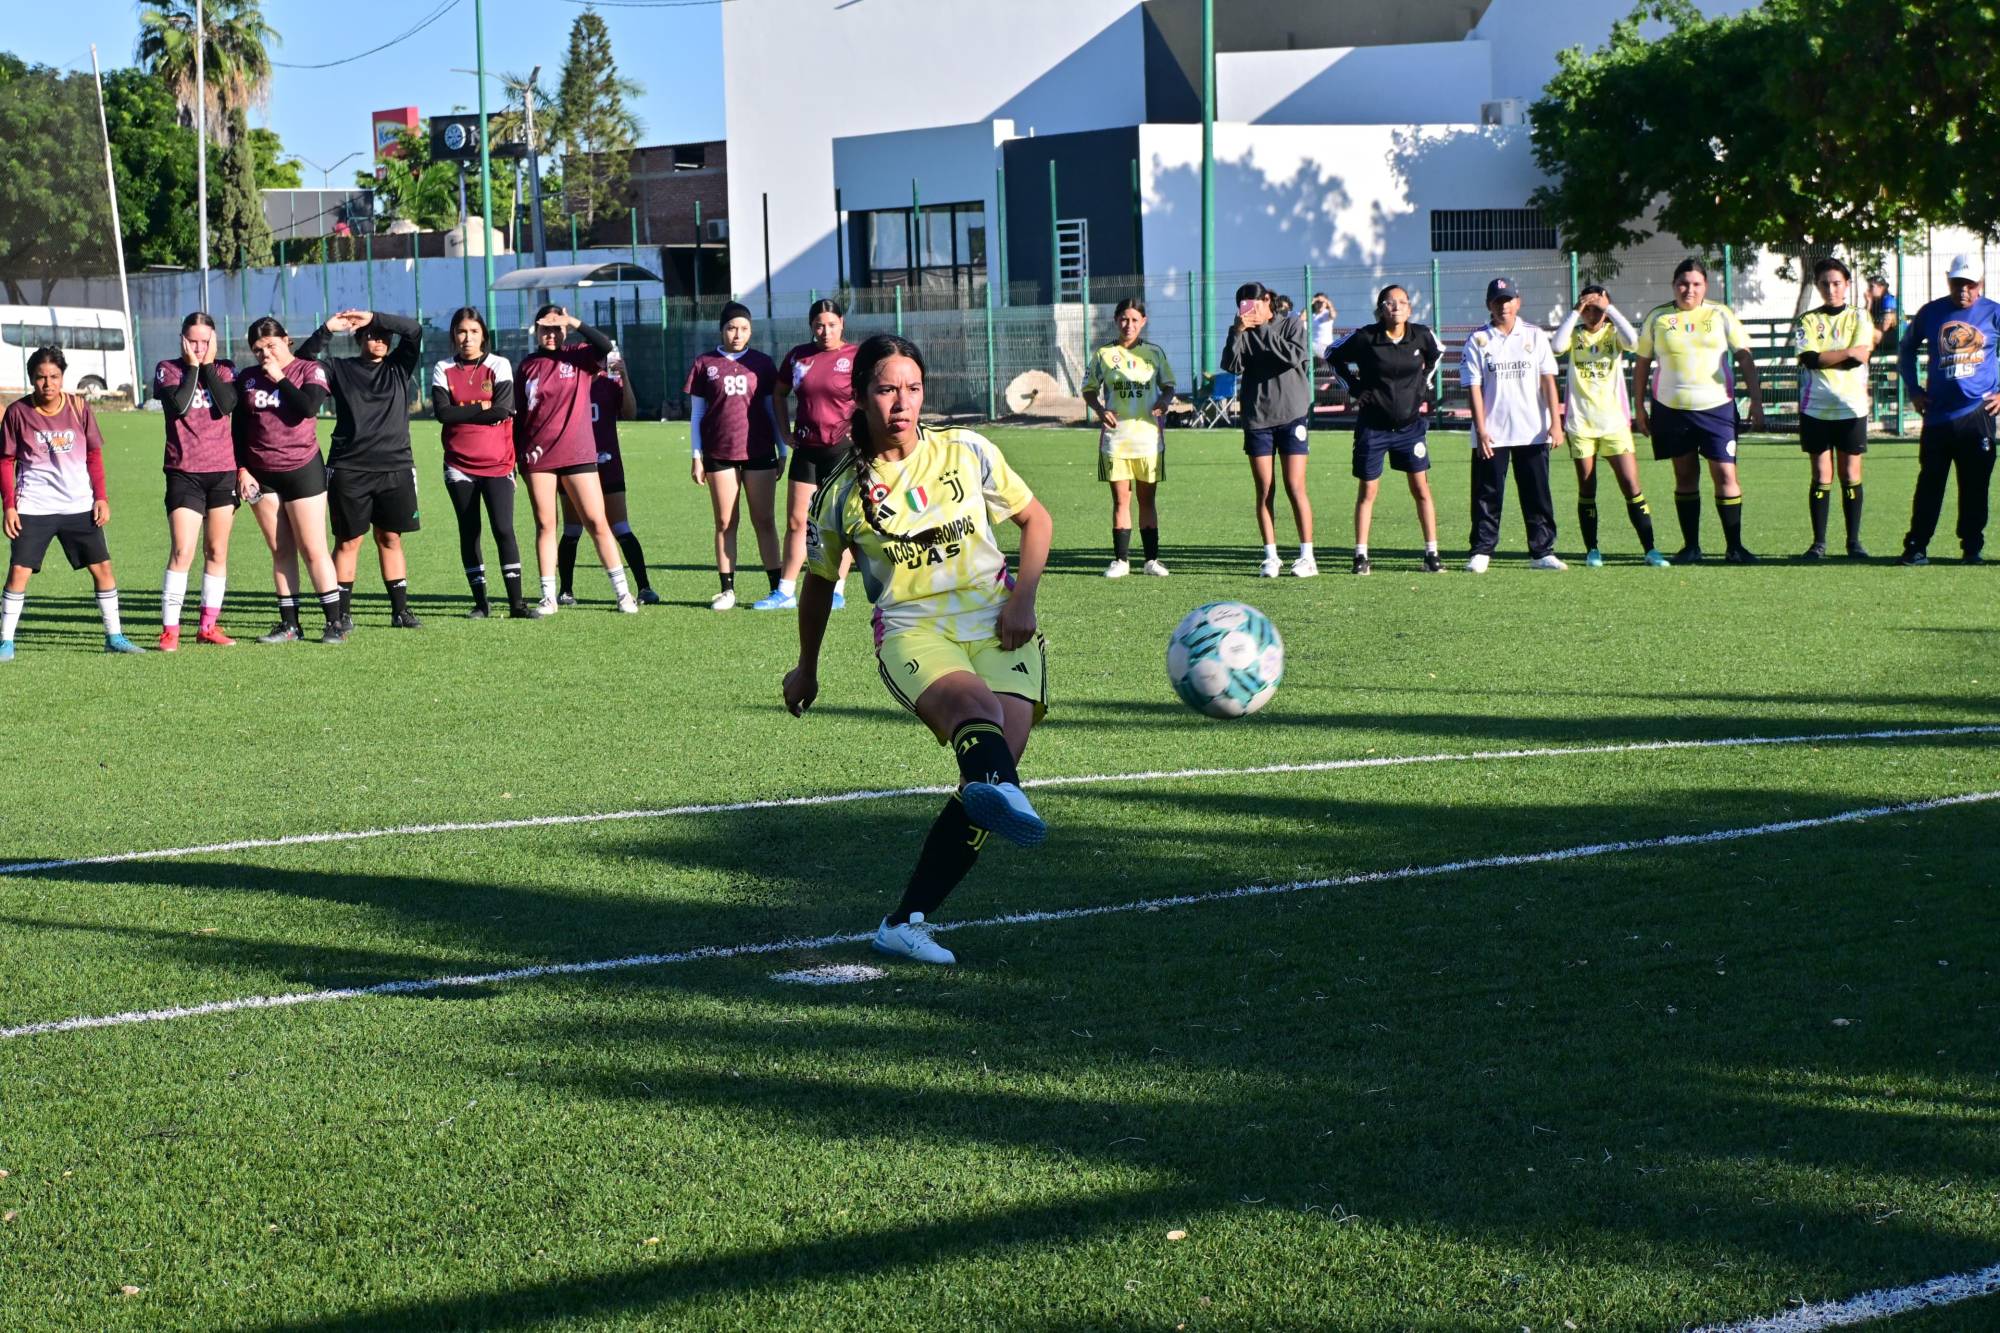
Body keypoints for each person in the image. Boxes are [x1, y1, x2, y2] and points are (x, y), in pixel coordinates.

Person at [784, 333, 1053, 967]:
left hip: (997, 621)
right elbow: (819, 585)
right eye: (886, 388)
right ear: (861, 396)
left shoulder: (967, 451)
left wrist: (1024, 601)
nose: (901, 402)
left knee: (990, 782)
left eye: (912, 388)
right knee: (978, 718)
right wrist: (807, 666)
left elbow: (1035, 520)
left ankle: (903, 922)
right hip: (913, 629)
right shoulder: (842, 493)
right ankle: (989, 785)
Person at [0, 347, 144, 659]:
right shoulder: (17, 413)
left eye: (53, 376)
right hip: (34, 506)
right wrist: (9, 506)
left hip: (78, 504)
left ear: (62, 377)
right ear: (31, 379)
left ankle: (114, 636)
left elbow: (94, 454)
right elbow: (5, 461)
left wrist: (101, 498)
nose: (47, 383)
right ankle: (6, 642)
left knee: (102, 568)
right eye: (40, 378)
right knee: (19, 572)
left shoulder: (79, 407)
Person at [1632, 258, 1766, 564]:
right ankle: (1691, 547)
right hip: (1672, 410)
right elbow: (1642, 363)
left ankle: (1735, 547)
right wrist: (1638, 406)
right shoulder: (1659, 317)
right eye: (1683, 283)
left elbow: (1744, 357)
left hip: (1717, 408)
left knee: (1725, 474)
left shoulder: (1720, 314)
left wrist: (1756, 400)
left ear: (1705, 286)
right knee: (1685, 476)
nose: (1688, 289)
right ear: (1673, 285)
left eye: (1695, 284)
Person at [298, 308, 425, 629]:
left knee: (391, 538)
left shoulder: (398, 367)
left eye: (383, 334)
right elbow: (300, 363)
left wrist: (375, 317)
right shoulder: (339, 369)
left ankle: (400, 611)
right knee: (348, 541)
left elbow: (413, 330)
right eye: (371, 334)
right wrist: (327, 328)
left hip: (395, 467)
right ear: (358, 338)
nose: (379, 339)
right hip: (349, 469)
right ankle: (341, 614)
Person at [233, 316, 348, 643]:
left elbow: (307, 407)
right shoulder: (248, 379)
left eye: (271, 345)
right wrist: (242, 468)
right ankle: (290, 625)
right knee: (280, 550)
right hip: (261, 475)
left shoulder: (309, 370)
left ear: (287, 340)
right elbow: (238, 428)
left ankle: (334, 623)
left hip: (302, 470)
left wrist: (279, 376)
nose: (264, 353)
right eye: (257, 349)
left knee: (314, 548)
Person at [515, 304, 636, 615]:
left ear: (565, 330)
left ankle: (623, 593)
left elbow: (606, 347)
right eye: (545, 328)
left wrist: (573, 320)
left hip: (578, 454)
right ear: (536, 331)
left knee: (597, 521)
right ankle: (548, 596)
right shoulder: (527, 365)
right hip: (538, 456)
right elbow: (519, 417)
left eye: (557, 328)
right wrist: (518, 459)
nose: (551, 334)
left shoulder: (580, 355)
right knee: (546, 524)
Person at [1327, 285, 1443, 574]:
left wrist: (1423, 383)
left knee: (1421, 489)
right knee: (1368, 490)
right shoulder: (1366, 337)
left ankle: (1432, 554)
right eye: (1389, 303)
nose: (1396, 307)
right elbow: (1332, 354)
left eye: (1402, 302)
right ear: (1381, 309)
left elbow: (1437, 353)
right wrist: (1354, 389)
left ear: (1410, 308)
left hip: (1410, 428)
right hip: (1373, 427)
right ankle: (1361, 556)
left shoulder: (1421, 335)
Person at [1896, 254, 2000, 565]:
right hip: (1938, 416)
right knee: (1930, 482)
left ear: (1980, 284)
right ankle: (1916, 546)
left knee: (1975, 486)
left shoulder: (1993, 314)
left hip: (1978, 414)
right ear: (1948, 280)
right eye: (1957, 283)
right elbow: (1906, 348)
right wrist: (1914, 390)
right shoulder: (1931, 312)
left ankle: (1971, 547)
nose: (1963, 290)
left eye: (1970, 284)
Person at [1551, 285, 1666, 567]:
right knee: (1587, 488)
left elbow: (1634, 341)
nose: (1593, 313)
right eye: (1588, 308)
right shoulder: (1576, 336)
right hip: (1581, 424)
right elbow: (1555, 347)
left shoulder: (1613, 334)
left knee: (1631, 485)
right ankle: (1592, 549)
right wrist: (1576, 310)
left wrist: (1609, 308)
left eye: (1597, 308)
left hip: (1613, 423)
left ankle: (1650, 549)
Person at [756, 299, 857, 611]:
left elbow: (870, 395)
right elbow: (778, 393)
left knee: (840, 522)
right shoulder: (799, 356)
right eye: (818, 325)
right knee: (798, 521)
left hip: (843, 451)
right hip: (806, 450)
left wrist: (861, 431)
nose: (825, 331)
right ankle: (785, 590)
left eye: (831, 324)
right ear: (811, 326)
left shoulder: (856, 356)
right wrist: (785, 433)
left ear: (841, 323)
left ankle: (837, 589)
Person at [1460, 277, 1566, 572]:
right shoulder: (1478, 340)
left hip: (1532, 430)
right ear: (1488, 305)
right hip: (1492, 433)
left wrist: (1556, 424)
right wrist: (1481, 429)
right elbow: (1473, 387)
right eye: (1497, 301)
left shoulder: (1535, 335)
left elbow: (1548, 380)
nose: (1503, 306)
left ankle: (1542, 551)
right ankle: (1481, 551)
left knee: (1537, 493)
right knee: (1486, 494)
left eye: (1508, 300)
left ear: (1517, 302)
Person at [431, 306, 529, 618]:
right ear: (453, 335)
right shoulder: (442, 368)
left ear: (483, 335)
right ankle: (481, 603)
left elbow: (502, 410)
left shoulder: (499, 365)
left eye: (473, 331)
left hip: (499, 463)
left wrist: (465, 407)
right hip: (459, 464)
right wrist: (482, 408)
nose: (467, 338)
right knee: (469, 530)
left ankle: (517, 604)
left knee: (503, 529)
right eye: (461, 331)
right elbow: (443, 414)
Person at [153, 312, 243, 648]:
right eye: (193, 340)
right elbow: (179, 405)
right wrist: (193, 366)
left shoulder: (224, 369)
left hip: (222, 473)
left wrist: (207, 366)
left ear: (215, 340)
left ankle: (208, 626)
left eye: (206, 341)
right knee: (183, 550)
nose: (199, 346)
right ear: (182, 339)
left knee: (217, 550)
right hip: (184, 474)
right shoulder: (168, 369)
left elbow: (228, 403)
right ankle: (170, 630)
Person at [687, 302, 784, 610]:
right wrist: (696, 455)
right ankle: (727, 590)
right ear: (722, 329)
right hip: (720, 453)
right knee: (726, 521)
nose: (737, 334)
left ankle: (776, 589)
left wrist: (782, 449)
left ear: (751, 330)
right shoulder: (705, 363)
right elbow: (697, 414)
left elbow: (771, 410)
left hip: (759, 451)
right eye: (731, 328)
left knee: (765, 519)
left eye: (743, 328)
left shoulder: (763, 363)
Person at [1221, 281, 1315, 577]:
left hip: (1292, 414)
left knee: (1295, 485)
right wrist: (1237, 332)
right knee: (1264, 490)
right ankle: (1271, 556)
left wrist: (1262, 328)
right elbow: (1231, 365)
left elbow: (1291, 356)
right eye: (1244, 304)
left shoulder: (1291, 325)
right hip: (1258, 418)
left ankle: (1307, 556)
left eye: (1254, 302)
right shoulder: (1241, 331)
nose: (1250, 308)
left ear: (1268, 300)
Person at [557, 347, 659, 605]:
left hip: (607, 463)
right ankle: (566, 590)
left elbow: (630, 413)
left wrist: (625, 378)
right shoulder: (567, 386)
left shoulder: (608, 384)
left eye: (599, 358)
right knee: (572, 529)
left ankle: (644, 587)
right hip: (573, 464)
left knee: (620, 526)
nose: (596, 363)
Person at [1080, 297, 1175, 577]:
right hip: (1116, 440)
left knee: (1147, 501)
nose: (1128, 324)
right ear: (1115, 320)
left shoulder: (1155, 353)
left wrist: (1164, 402)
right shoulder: (1103, 355)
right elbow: (1088, 389)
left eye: (1134, 319)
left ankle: (1151, 561)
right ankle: (1121, 561)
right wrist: (1099, 409)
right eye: (1123, 319)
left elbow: (1168, 386)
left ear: (1143, 322)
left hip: (1148, 439)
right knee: (1121, 500)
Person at [1793, 258, 1876, 560]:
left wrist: (1831, 356)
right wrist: (1846, 352)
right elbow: (1810, 359)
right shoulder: (1808, 320)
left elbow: (1860, 357)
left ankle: (1853, 542)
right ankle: (1818, 543)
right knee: (1820, 473)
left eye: (1837, 283)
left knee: (1850, 472)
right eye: (1825, 283)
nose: (1831, 289)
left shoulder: (1860, 316)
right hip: (1815, 407)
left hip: (1850, 407)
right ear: (1817, 286)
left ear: (1847, 284)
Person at [1868, 274, 1900, 357]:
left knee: (1867, 334)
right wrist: (1868, 303)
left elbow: (1885, 327)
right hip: (1885, 337)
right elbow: (1864, 320)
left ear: (1881, 288)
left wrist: (1868, 328)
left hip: (1898, 337)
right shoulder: (1875, 302)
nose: (1869, 289)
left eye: (1871, 287)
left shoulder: (1888, 300)